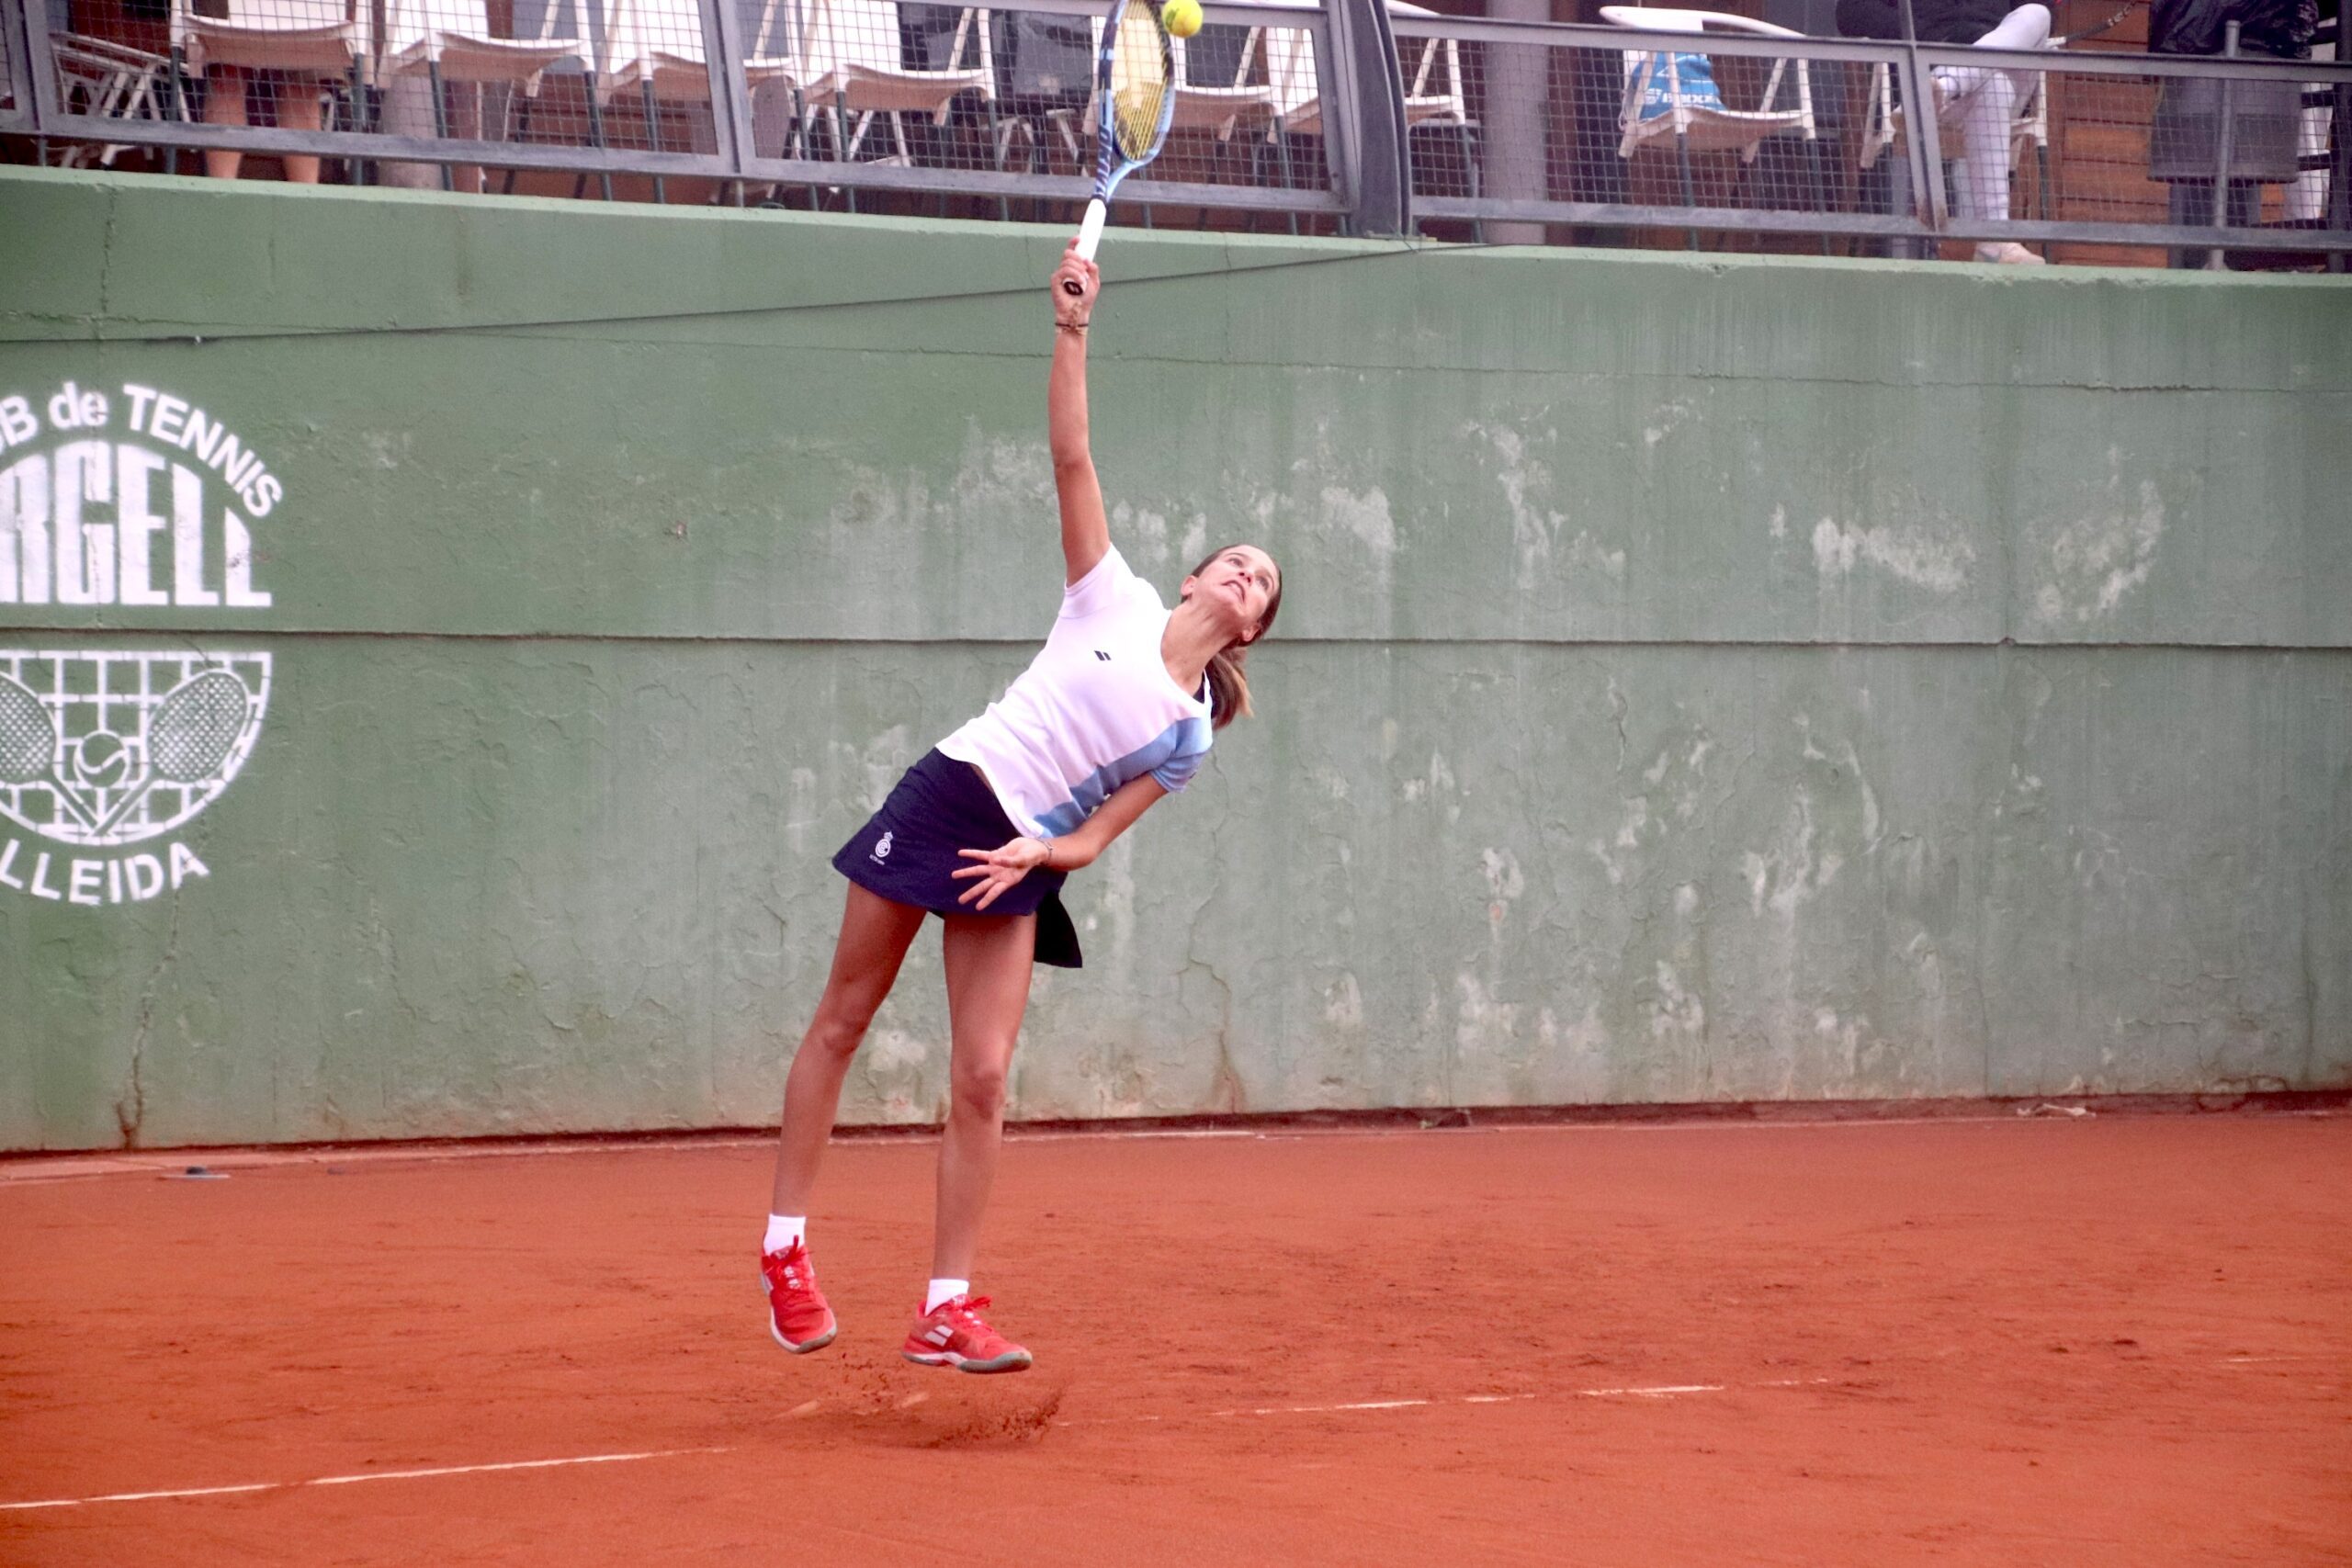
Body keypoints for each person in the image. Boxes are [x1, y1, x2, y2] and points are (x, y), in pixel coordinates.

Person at [757, 243, 1284, 1374]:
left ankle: (945, 1306)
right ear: (1193, 581)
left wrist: (1050, 850)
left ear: (1247, 631)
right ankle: (784, 1249)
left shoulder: (1187, 734)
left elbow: (1104, 829)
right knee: (844, 1018)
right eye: (1234, 560)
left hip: (1021, 851)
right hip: (953, 788)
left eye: (1263, 583)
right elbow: (1071, 454)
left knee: (985, 1077)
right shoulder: (1112, 593)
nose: (1245, 574)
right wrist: (1072, 329)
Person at [1838, 0, 2055, 264]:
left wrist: (1977, 52)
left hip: (1989, 70)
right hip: (1928, 74)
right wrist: (1931, 38)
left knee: (2037, 14)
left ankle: (1949, 81)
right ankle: (1994, 239)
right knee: (1994, 85)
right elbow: (1851, 11)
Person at [2146, 0, 2319, 266]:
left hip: (2236, 113)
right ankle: (2210, 260)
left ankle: (2218, 260)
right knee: (2207, 180)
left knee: (2227, 181)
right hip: (2212, 117)